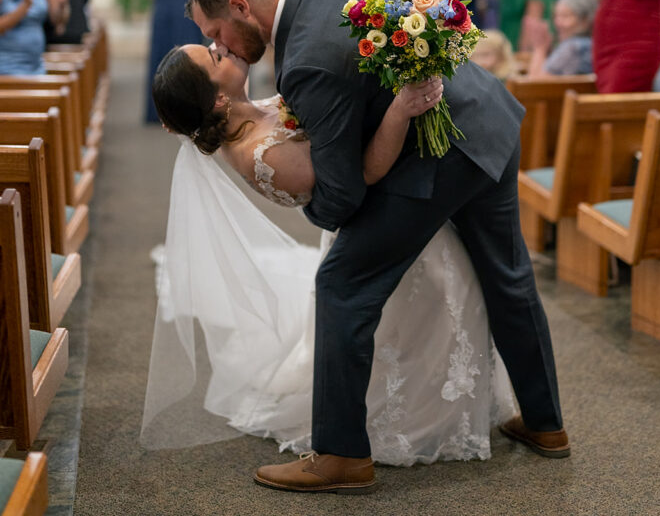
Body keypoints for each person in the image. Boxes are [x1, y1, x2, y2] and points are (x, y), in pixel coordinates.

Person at [184, 0, 568, 494]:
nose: (220, 45)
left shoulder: (304, 63)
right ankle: (546, 422)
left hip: (441, 159)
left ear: (241, 7)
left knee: (341, 284)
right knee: (508, 273)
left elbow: (340, 197)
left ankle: (340, 455)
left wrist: (318, 213)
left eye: (215, 31)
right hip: (486, 116)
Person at [143, 44, 518, 461]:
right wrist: (397, 111)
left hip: (405, 204)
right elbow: (360, 178)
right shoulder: (263, 154)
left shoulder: (251, 109)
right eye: (214, 58)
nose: (222, 49)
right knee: (415, 319)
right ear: (217, 99)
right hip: (375, 230)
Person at [133, 0, 203, 123]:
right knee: (160, 60)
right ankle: (158, 112)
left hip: (188, 20)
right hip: (164, 19)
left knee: (189, 61)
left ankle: (187, 112)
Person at [524, 0, 598, 78]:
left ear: (585, 20)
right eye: (556, 16)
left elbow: (535, 84)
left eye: (565, 16)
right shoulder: (592, 43)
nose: (557, 22)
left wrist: (540, 48)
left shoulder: (573, 47)